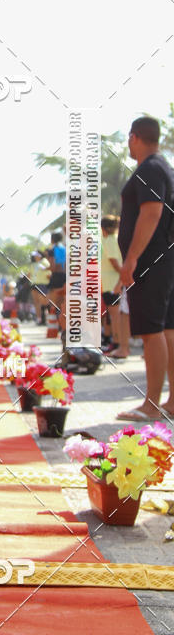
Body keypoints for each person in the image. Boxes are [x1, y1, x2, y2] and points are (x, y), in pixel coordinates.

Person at [116, 117, 174, 421]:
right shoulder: (165, 166)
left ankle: (151, 403)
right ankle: (171, 400)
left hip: (152, 261)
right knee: (167, 328)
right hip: (164, 260)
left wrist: (132, 258)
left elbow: (151, 212)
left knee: (152, 331)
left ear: (134, 137)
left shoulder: (150, 168)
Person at [100, 215, 123, 355]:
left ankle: (117, 343)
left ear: (103, 228)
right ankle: (113, 341)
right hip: (110, 282)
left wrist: (124, 275)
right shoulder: (114, 239)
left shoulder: (109, 240)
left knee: (115, 315)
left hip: (112, 283)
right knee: (112, 314)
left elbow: (114, 262)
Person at [29, 250, 51, 325]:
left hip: (42, 284)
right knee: (36, 302)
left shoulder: (45, 262)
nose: (35, 257)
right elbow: (30, 274)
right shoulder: (33, 264)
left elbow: (49, 272)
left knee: (43, 302)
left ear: (40, 255)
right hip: (34, 284)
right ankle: (39, 319)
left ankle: (46, 318)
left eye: (36, 255)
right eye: (34, 255)